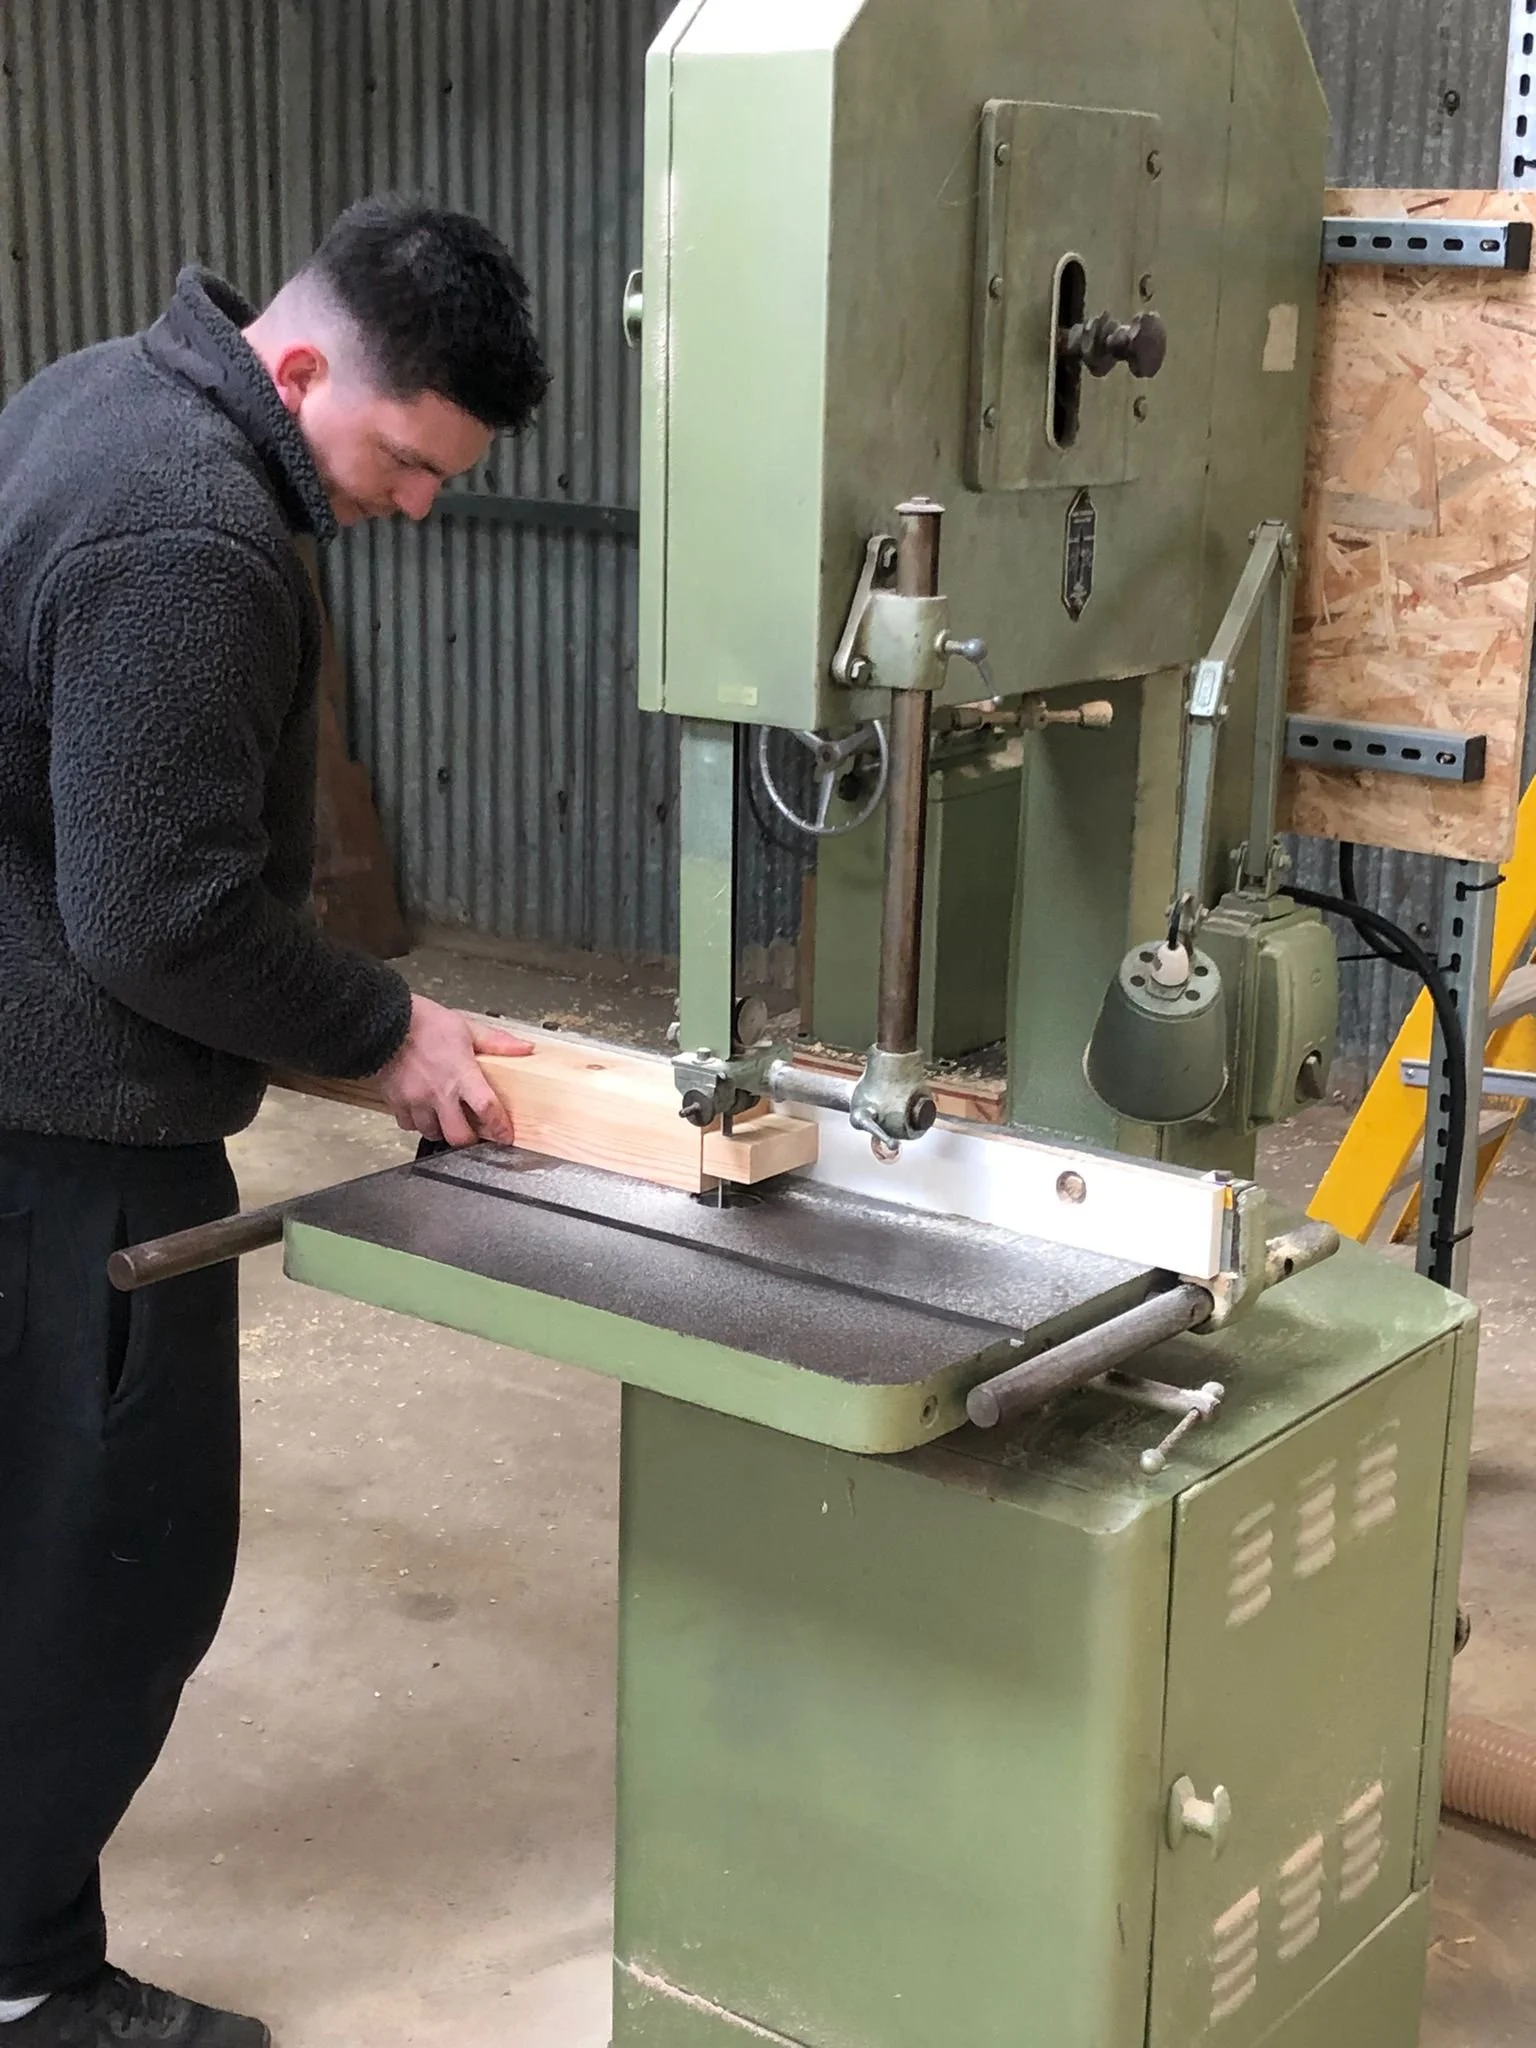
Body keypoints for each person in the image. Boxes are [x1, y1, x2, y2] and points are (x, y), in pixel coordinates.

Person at [0, 195, 549, 2047]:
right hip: (61, 1126)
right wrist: (383, 1029)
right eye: (406, 459)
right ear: (297, 365)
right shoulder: (190, 531)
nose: (417, 505)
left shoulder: (93, 394)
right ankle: (22, 1982)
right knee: (114, 1563)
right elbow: (160, 913)